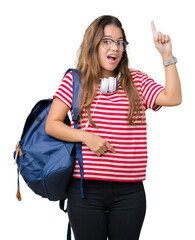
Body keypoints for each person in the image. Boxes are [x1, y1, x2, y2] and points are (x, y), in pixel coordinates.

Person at [45, 15, 182, 240]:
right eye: (107, 41)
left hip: (130, 193)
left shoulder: (136, 81)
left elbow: (173, 97)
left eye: (120, 42)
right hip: (85, 191)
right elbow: (52, 124)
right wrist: (86, 137)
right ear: (93, 45)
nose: (115, 48)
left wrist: (167, 55)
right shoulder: (75, 81)